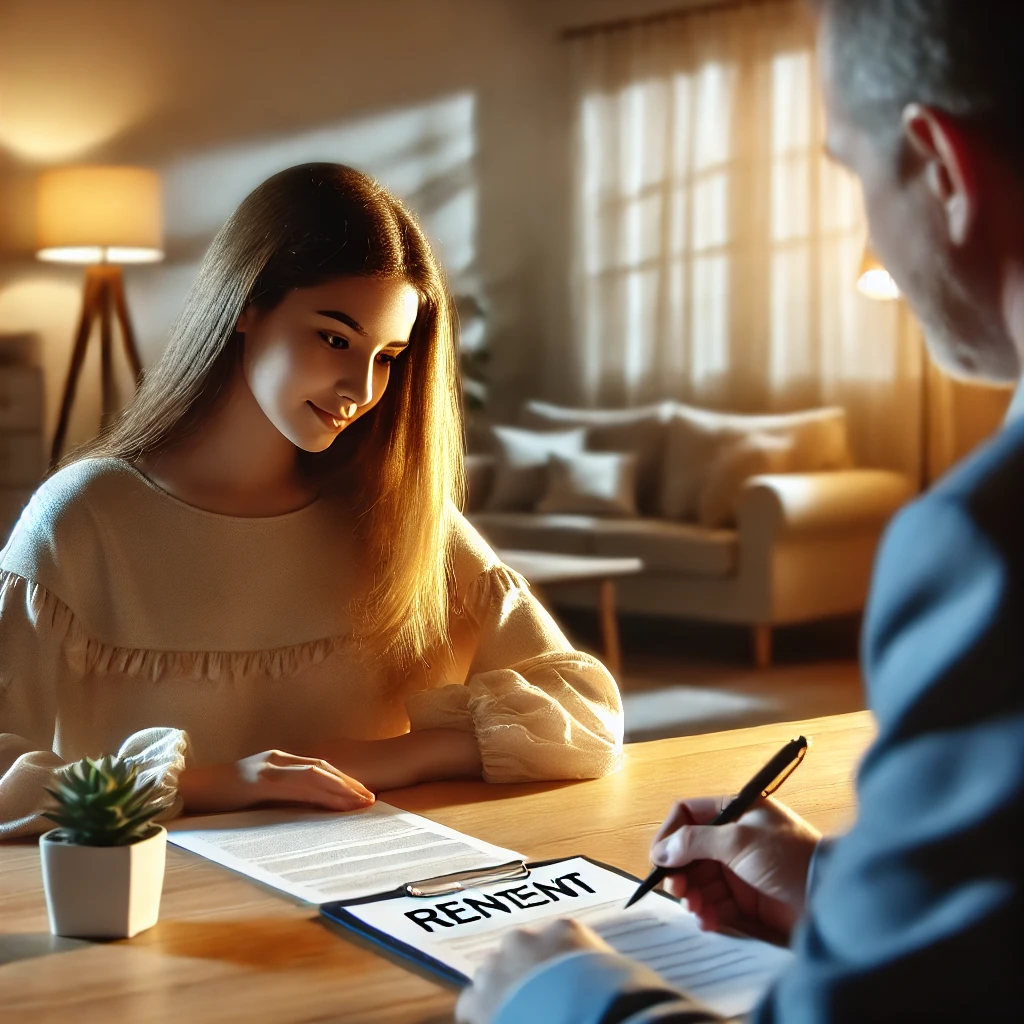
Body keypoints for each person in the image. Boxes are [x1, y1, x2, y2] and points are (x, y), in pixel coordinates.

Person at [457, 1, 1024, 1020]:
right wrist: (829, 886)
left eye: (851, 173)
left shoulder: (988, 544)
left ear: (940, 166)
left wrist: (560, 994)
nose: (871, 246)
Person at [0, 163, 623, 839]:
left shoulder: (396, 511)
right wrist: (216, 783)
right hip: (157, 903)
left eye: (387, 355)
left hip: (364, 888)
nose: (360, 386)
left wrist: (397, 755)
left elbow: (589, 711)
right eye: (334, 338)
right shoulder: (83, 519)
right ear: (246, 307)